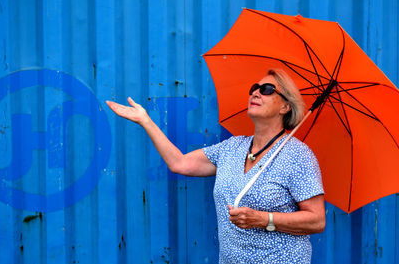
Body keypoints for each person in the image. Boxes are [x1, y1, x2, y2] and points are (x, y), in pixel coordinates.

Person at [106, 68, 325, 263]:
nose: (256, 93)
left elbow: (316, 220)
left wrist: (264, 219)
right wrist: (146, 120)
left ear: (286, 106)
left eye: (267, 89)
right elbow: (179, 163)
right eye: (254, 88)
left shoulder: (297, 156)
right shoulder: (232, 148)